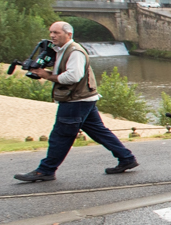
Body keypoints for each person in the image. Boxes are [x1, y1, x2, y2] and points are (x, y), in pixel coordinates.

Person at [13, 21, 138, 183]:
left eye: (56, 33)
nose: (52, 36)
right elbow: (67, 73)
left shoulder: (75, 51)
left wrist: (47, 76)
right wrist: (43, 71)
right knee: (99, 131)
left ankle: (46, 170)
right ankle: (127, 158)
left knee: (61, 135)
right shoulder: (62, 50)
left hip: (75, 100)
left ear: (68, 34)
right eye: (51, 32)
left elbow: (73, 76)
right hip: (83, 98)